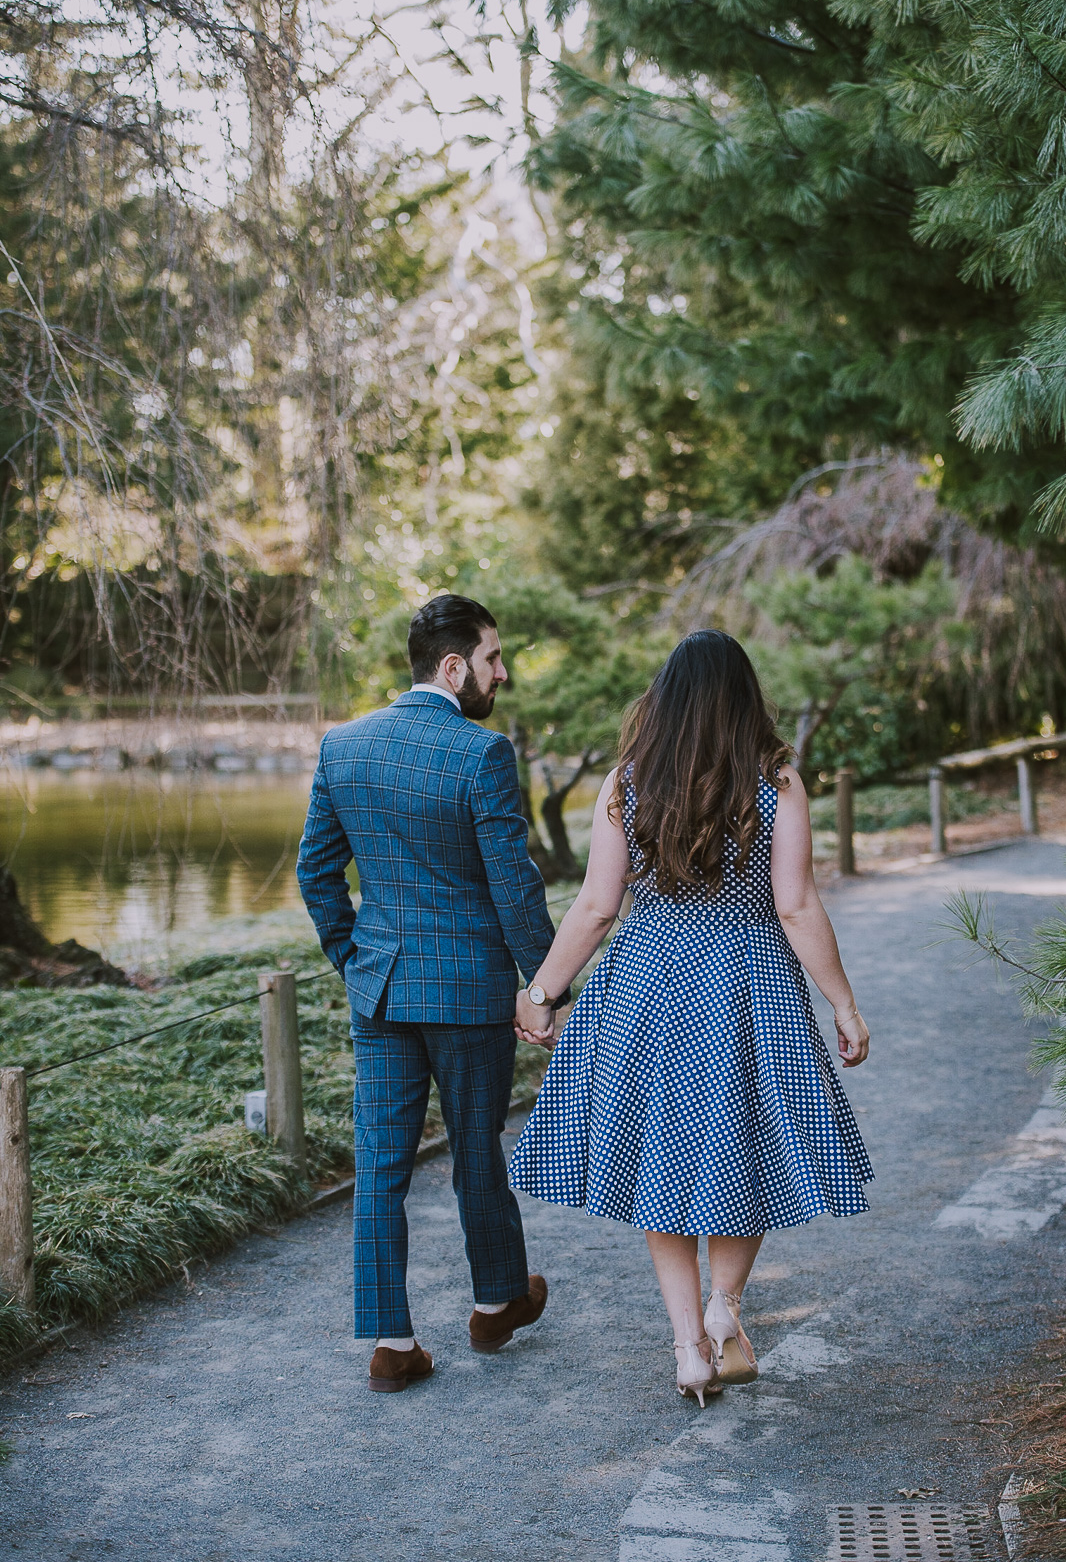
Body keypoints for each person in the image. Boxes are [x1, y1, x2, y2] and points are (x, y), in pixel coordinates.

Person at [509, 630, 872, 1406]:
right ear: (747, 699)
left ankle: (688, 1351)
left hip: (649, 982)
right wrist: (842, 1001)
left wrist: (541, 993)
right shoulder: (776, 784)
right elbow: (797, 906)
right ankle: (725, 1307)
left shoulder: (628, 783)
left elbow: (598, 906)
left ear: (665, 700)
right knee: (743, 1150)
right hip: (750, 982)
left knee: (660, 1164)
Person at [297, 594, 567, 1392]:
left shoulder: (343, 746)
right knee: (475, 1150)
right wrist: (542, 985)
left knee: (380, 1167)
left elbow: (316, 874)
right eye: (492, 657)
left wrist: (356, 961)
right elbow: (515, 888)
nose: (502, 671)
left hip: (380, 993)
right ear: (454, 668)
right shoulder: (481, 755)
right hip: (467, 993)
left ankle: (392, 1343)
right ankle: (494, 1305)